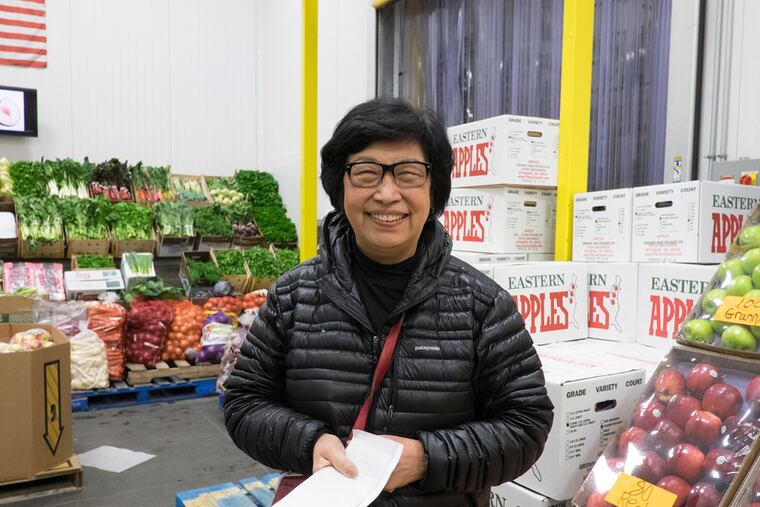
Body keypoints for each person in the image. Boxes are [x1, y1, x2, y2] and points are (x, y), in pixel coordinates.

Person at [224, 98, 554, 506]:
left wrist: (427, 459)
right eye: (365, 173)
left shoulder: (481, 305)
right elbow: (244, 403)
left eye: (408, 174)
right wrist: (310, 442)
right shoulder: (294, 297)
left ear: (434, 190)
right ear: (339, 186)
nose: (386, 193)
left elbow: (526, 424)